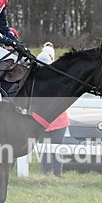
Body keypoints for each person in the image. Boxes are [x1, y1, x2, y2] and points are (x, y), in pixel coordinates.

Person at [33, 42, 69, 176]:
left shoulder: (59, 77)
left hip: (58, 121)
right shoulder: (36, 78)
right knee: (44, 149)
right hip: (41, 120)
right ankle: (45, 174)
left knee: (57, 149)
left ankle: (57, 174)